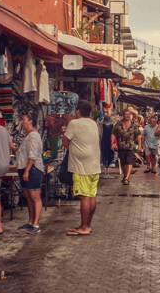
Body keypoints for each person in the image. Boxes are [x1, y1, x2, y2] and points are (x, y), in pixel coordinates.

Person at [63, 100, 101, 236]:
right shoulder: (93, 124)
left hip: (81, 166)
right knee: (91, 195)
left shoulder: (74, 123)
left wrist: (74, 150)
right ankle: (87, 225)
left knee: (84, 197)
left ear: (78, 111)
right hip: (94, 165)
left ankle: (84, 227)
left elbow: (65, 141)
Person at [16, 113, 44, 234]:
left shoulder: (33, 136)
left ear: (30, 121)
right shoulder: (28, 135)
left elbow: (32, 155)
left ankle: (36, 225)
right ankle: (31, 222)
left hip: (33, 169)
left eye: (24, 120)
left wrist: (27, 170)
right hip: (25, 168)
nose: (22, 122)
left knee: (35, 197)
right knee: (28, 197)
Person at [111, 109, 142, 185]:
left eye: (128, 114)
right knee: (122, 163)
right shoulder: (118, 124)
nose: (127, 116)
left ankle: (127, 178)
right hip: (121, 147)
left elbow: (138, 135)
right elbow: (113, 134)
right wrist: (112, 143)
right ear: (123, 115)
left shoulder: (134, 125)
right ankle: (125, 176)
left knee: (129, 162)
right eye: (126, 114)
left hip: (130, 147)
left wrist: (140, 145)